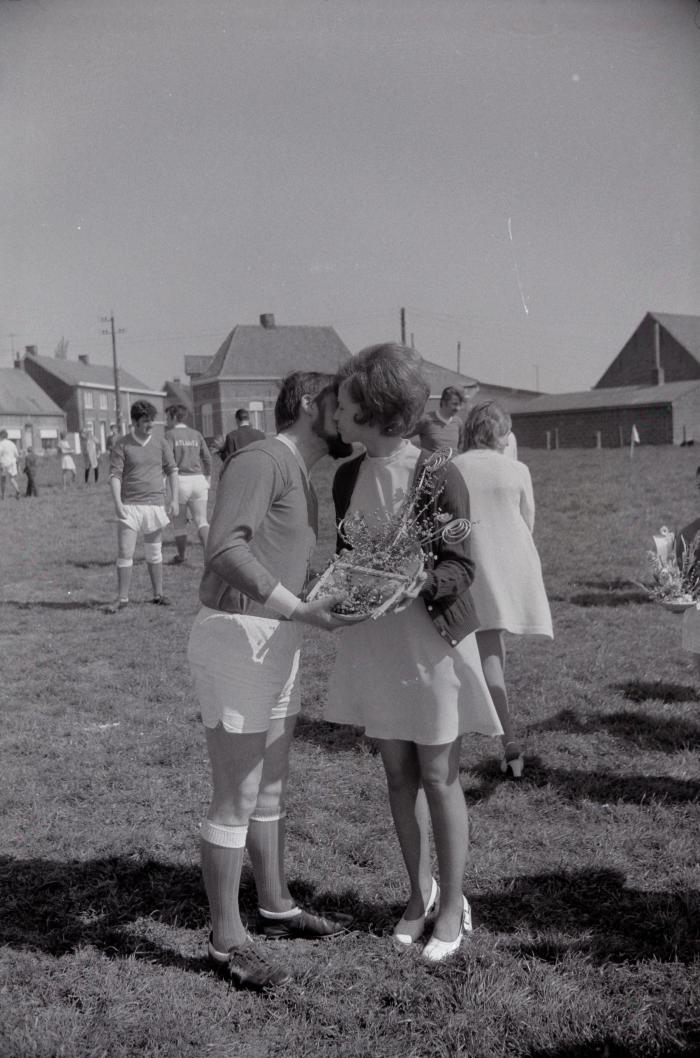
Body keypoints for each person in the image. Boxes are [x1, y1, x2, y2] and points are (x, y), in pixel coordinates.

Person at [325, 344, 502, 965]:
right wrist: (338, 590)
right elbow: (345, 555)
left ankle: (452, 905)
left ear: (379, 413)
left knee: (438, 775)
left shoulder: (439, 473)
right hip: (376, 646)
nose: (337, 416)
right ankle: (417, 894)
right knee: (397, 777)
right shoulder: (345, 477)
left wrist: (421, 582)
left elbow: (463, 564)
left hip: (430, 645)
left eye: (347, 407)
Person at [187, 371, 358, 992]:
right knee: (236, 793)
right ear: (313, 405)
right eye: (346, 404)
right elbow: (224, 550)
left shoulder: (301, 475)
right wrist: (301, 609)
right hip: (238, 638)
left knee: (269, 791)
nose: (354, 416)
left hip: (276, 638)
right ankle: (226, 939)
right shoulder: (261, 458)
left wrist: (333, 597)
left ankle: (276, 906)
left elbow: (275, 563)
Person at [452, 401, 553, 778]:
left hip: (459, 573)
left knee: (474, 656)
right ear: (502, 434)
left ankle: (497, 738)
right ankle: (507, 742)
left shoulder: (452, 467)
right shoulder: (517, 469)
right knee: (490, 655)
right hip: (501, 573)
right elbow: (527, 522)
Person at [107, 400, 179, 612]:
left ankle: (158, 594)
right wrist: (117, 502)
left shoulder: (161, 443)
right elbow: (114, 476)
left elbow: (172, 470)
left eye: (152, 421)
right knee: (125, 550)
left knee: (154, 551)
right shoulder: (122, 444)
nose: (150, 425)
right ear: (135, 422)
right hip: (130, 506)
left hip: (155, 505)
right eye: (146, 422)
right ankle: (122, 598)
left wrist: (174, 500)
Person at [164, 403, 212, 564]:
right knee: (202, 520)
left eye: (167, 417)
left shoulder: (170, 435)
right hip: (198, 480)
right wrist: (209, 476)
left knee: (179, 524)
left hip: (180, 481)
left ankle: (182, 556)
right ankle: (209, 556)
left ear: (173, 416)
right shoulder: (196, 434)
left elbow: (167, 459)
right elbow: (207, 457)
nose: (166, 421)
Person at [413, 386, 465, 454]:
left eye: (460, 404)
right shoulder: (425, 419)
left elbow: (460, 446)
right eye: (455, 404)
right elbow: (402, 438)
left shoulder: (458, 422)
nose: (458, 408)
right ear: (444, 402)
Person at [0, 429, 21, 499]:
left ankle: (2, 496)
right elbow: (17, 455)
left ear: (1, 436)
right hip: (12, 463)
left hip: (4, 464)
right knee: (12, 479)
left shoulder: (1, 444)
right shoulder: (12, 444)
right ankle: (17, 490)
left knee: (3, 480)